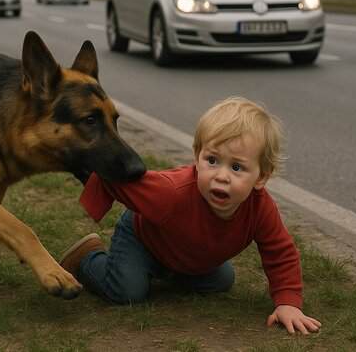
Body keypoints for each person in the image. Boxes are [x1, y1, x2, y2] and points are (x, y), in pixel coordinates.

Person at [59, 97, 321, 335]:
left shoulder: (260, 209)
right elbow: (120, 182)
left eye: (237, 167)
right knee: (127, 292)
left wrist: (288, 302)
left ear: (261, 176)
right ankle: (87, 259)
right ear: (197, 156)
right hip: (142, 239)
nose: (221, 175)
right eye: (212, 160)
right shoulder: (172, 193)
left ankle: (165, 270)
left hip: (187, 253)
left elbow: (280, 252)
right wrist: (89, 178)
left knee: (222, 280)